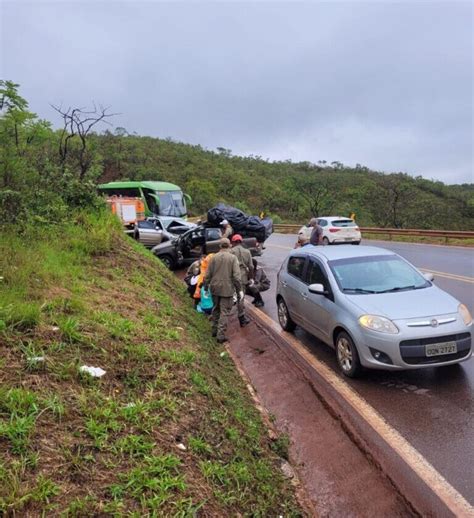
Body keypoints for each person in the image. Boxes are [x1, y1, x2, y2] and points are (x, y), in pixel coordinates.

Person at [204, 238, 242, 344]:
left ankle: (214, 331)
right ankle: (220, 336)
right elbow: (237, 277)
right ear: (229, 246)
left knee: (216, 309)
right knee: (224, 312)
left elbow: (207, 275)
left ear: (220, 246)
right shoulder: (233, 258)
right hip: (227, 288)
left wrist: (206, 287)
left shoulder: (213, 258)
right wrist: (239, 290)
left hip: (215, 288)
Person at [230, 234, 253, 327]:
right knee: (241, 297)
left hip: (232, 276)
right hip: (242, 277)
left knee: (229, 296)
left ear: (233, 242)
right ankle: (241, 318)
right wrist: (250, 277)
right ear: (241, 241)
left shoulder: (231, 251)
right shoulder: (247, 252)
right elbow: (251, 267)